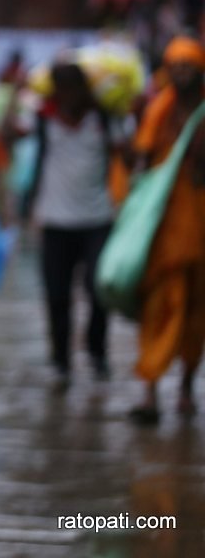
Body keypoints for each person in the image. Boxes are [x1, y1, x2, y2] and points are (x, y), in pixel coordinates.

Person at [7, 61, 121, 390]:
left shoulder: (103, 119)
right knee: (57, 296)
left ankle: (97, 352)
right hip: (55, 221)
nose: (68, 95)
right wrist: (17, 94)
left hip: (97, 220)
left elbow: (127, 156)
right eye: (62, 88)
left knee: (99, 291)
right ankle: (61, 361)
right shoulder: (43, 119)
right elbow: (8, 133)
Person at [128, 35, 205, 425]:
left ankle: (187, 388)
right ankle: (150, 390)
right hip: (163, 238)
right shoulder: (159, 111)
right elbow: (139, 162)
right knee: (158, 311)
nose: (182, 72)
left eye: (188, 66)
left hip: (201, 239)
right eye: (175, 65)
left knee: (196, 317)